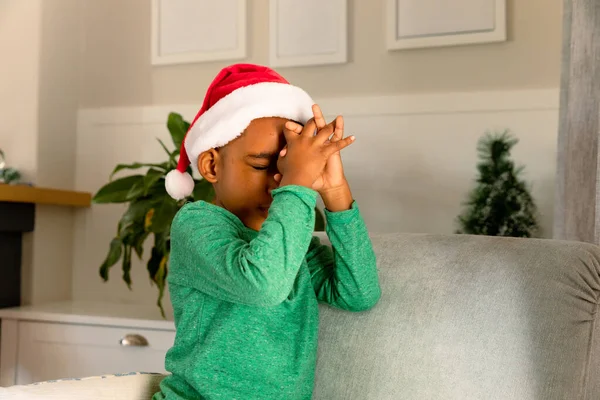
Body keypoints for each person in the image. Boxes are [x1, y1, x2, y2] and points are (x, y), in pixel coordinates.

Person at [153, 63, 381, 400]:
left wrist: (336, 193)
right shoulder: (195, 224)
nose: (279, 182)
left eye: (287, 168)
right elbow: (262, 285)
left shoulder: (291, 243)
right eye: (262, 166)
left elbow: (359, 293)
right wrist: (298, 184)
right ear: (212, 165)